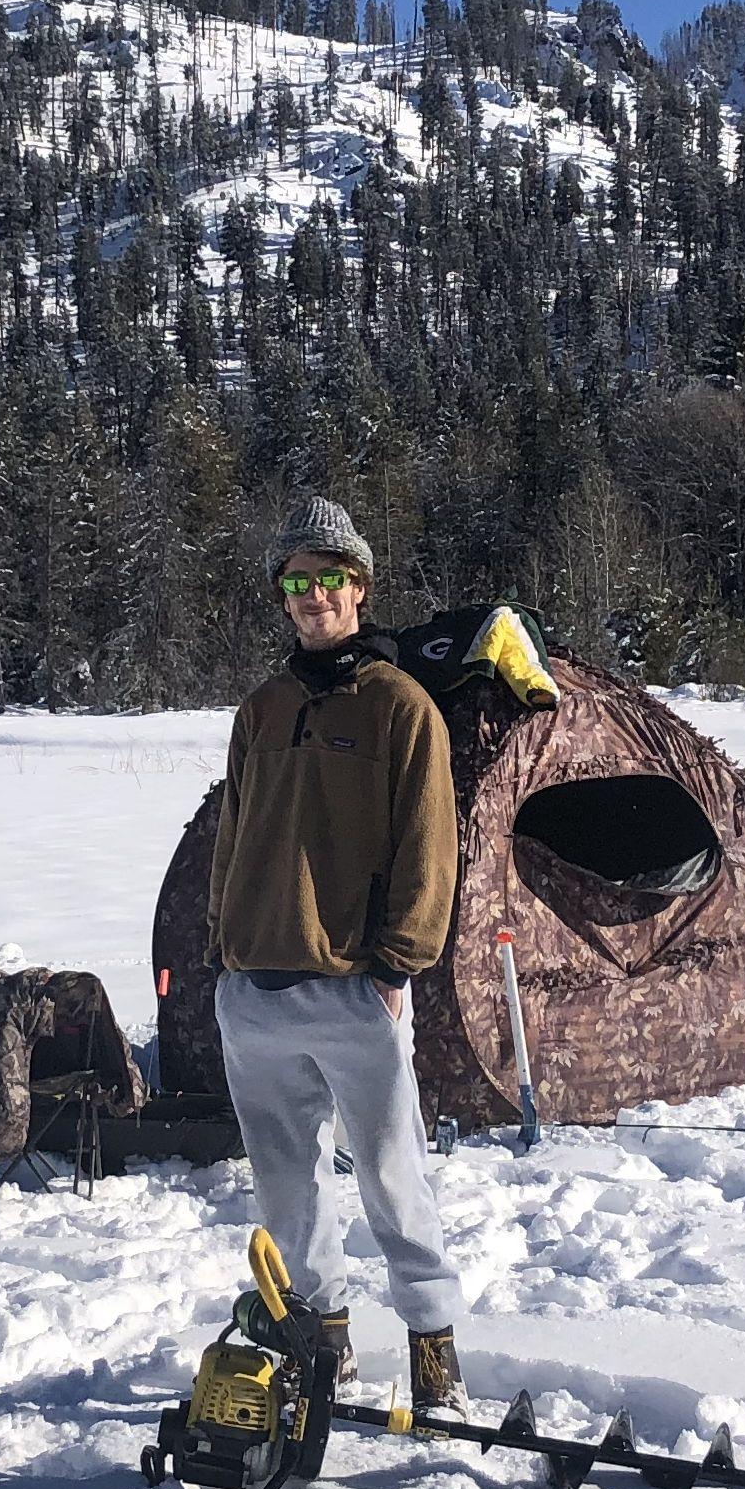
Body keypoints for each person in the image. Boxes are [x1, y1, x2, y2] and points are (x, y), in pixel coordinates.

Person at [209, 492, 469, 1412]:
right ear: (281, 596)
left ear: (359, 588)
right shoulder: (264, 706)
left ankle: (433, 1344)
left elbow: (431, 844)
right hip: (255, 989)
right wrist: (224, 949)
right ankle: (322, 1344)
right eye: (296, 582)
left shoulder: (401, 707)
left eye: (329, 579)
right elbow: (233, 832)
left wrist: (398, 966)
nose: (313, 596)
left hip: (355, 984)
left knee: (396, 1177)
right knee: (288, 1191)